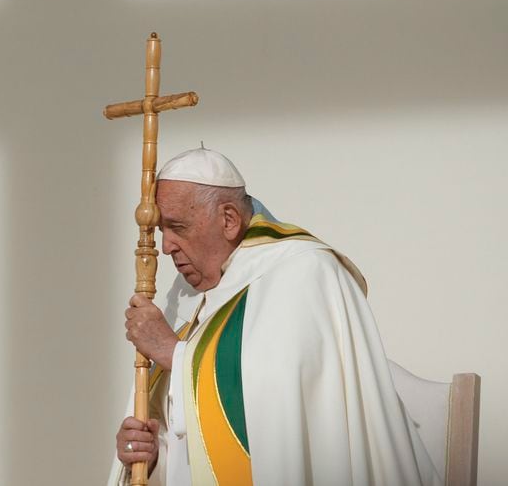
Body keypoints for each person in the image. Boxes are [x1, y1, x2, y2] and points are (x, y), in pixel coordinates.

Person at [107, 147, 441, 486]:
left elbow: (276, 410)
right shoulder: (192, 297)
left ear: (229, 220)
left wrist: (172, 354)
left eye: (178, 227)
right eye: (163, 230)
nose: (166, 247)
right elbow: (192, 445)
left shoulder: (303, 271)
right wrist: (150, 457)